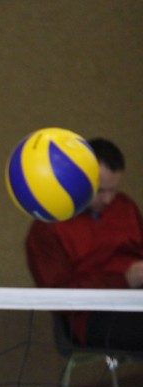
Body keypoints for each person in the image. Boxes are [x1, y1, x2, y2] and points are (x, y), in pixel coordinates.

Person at [25, 137, 143, 350]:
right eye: (99, 191)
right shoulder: (48, 228)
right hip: (96, 316)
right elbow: (59, 298)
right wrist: (123, 280)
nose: (108, 199)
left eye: (114, 190)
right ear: (76, 180)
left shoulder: (125, 206)